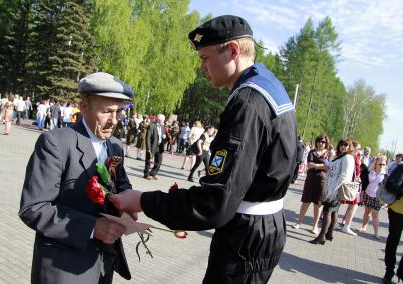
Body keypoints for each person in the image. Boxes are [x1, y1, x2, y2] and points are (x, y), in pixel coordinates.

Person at [110, 15, 297, 283]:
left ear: (232, 51)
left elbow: (215, 204)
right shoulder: (269, 87)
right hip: (263, 228)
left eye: (205, 58)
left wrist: (143, 200)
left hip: (244, 235)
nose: (202, 68)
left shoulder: (247, 102)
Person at [18, 72, 134, 283]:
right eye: (106, 111)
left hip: (102, 264)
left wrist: (129, 204)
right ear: (83, 106)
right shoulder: (56, 143)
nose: (113, 120)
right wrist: (92, 228)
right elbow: (33, 208)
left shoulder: (115, 146)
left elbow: (122, 185)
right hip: (64, 267)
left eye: (119, 112)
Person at [309, 138, 355, 245]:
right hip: (332, 187)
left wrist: (334, 191)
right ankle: (329, 234)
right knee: (333, 212)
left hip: (336, 189)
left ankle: (321, 236)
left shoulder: (348, 158)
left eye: (345, 145)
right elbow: (333, 170)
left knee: (327, 211)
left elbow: (344, 176)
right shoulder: (341, 157)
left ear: (349, 147)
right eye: (341, 144)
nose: (343, 146)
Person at [292, 135, 330, 234]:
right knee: (305, 202)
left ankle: (315, 226)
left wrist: (316, 165)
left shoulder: (328, 154)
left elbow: (328, 167)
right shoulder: (312, 152)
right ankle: (299, 222)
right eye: (319, 141)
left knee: (318, 204)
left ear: (326, 143)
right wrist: (321, 166)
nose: (321, 143)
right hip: (310, 180)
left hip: (322, 182)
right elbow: (309, 165)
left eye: (323, 142)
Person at [382, 164, 403, 284]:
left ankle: (402, 271)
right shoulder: (401, 168)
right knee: (393, 240)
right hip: (397, 210)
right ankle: (389, 270)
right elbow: (390, 185)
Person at [359, 155, 387, 239]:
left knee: (375, 215)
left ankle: (376, 233)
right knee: (367, 212)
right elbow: (364, 184)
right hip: (368, 194)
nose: (381, 166)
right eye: (380, 164)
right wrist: (362, 196)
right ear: (376, 164)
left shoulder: (385, 175)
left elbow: (386, 188)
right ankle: (364, 226)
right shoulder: (370, 172)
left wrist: (384, 201)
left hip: (377, 197)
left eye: (383, 164)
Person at [143, 113, 166, 180]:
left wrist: (164, 136)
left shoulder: (162, 126)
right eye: (163, 120)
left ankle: (153, 173)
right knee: (148, 160)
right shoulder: (151, 125)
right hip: (152, 145)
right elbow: (148, 137)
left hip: (160, 146)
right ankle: (146, 174)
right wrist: (148, 147)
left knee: (159, 161)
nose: (164, 121)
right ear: (158, 120)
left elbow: (162, 135)